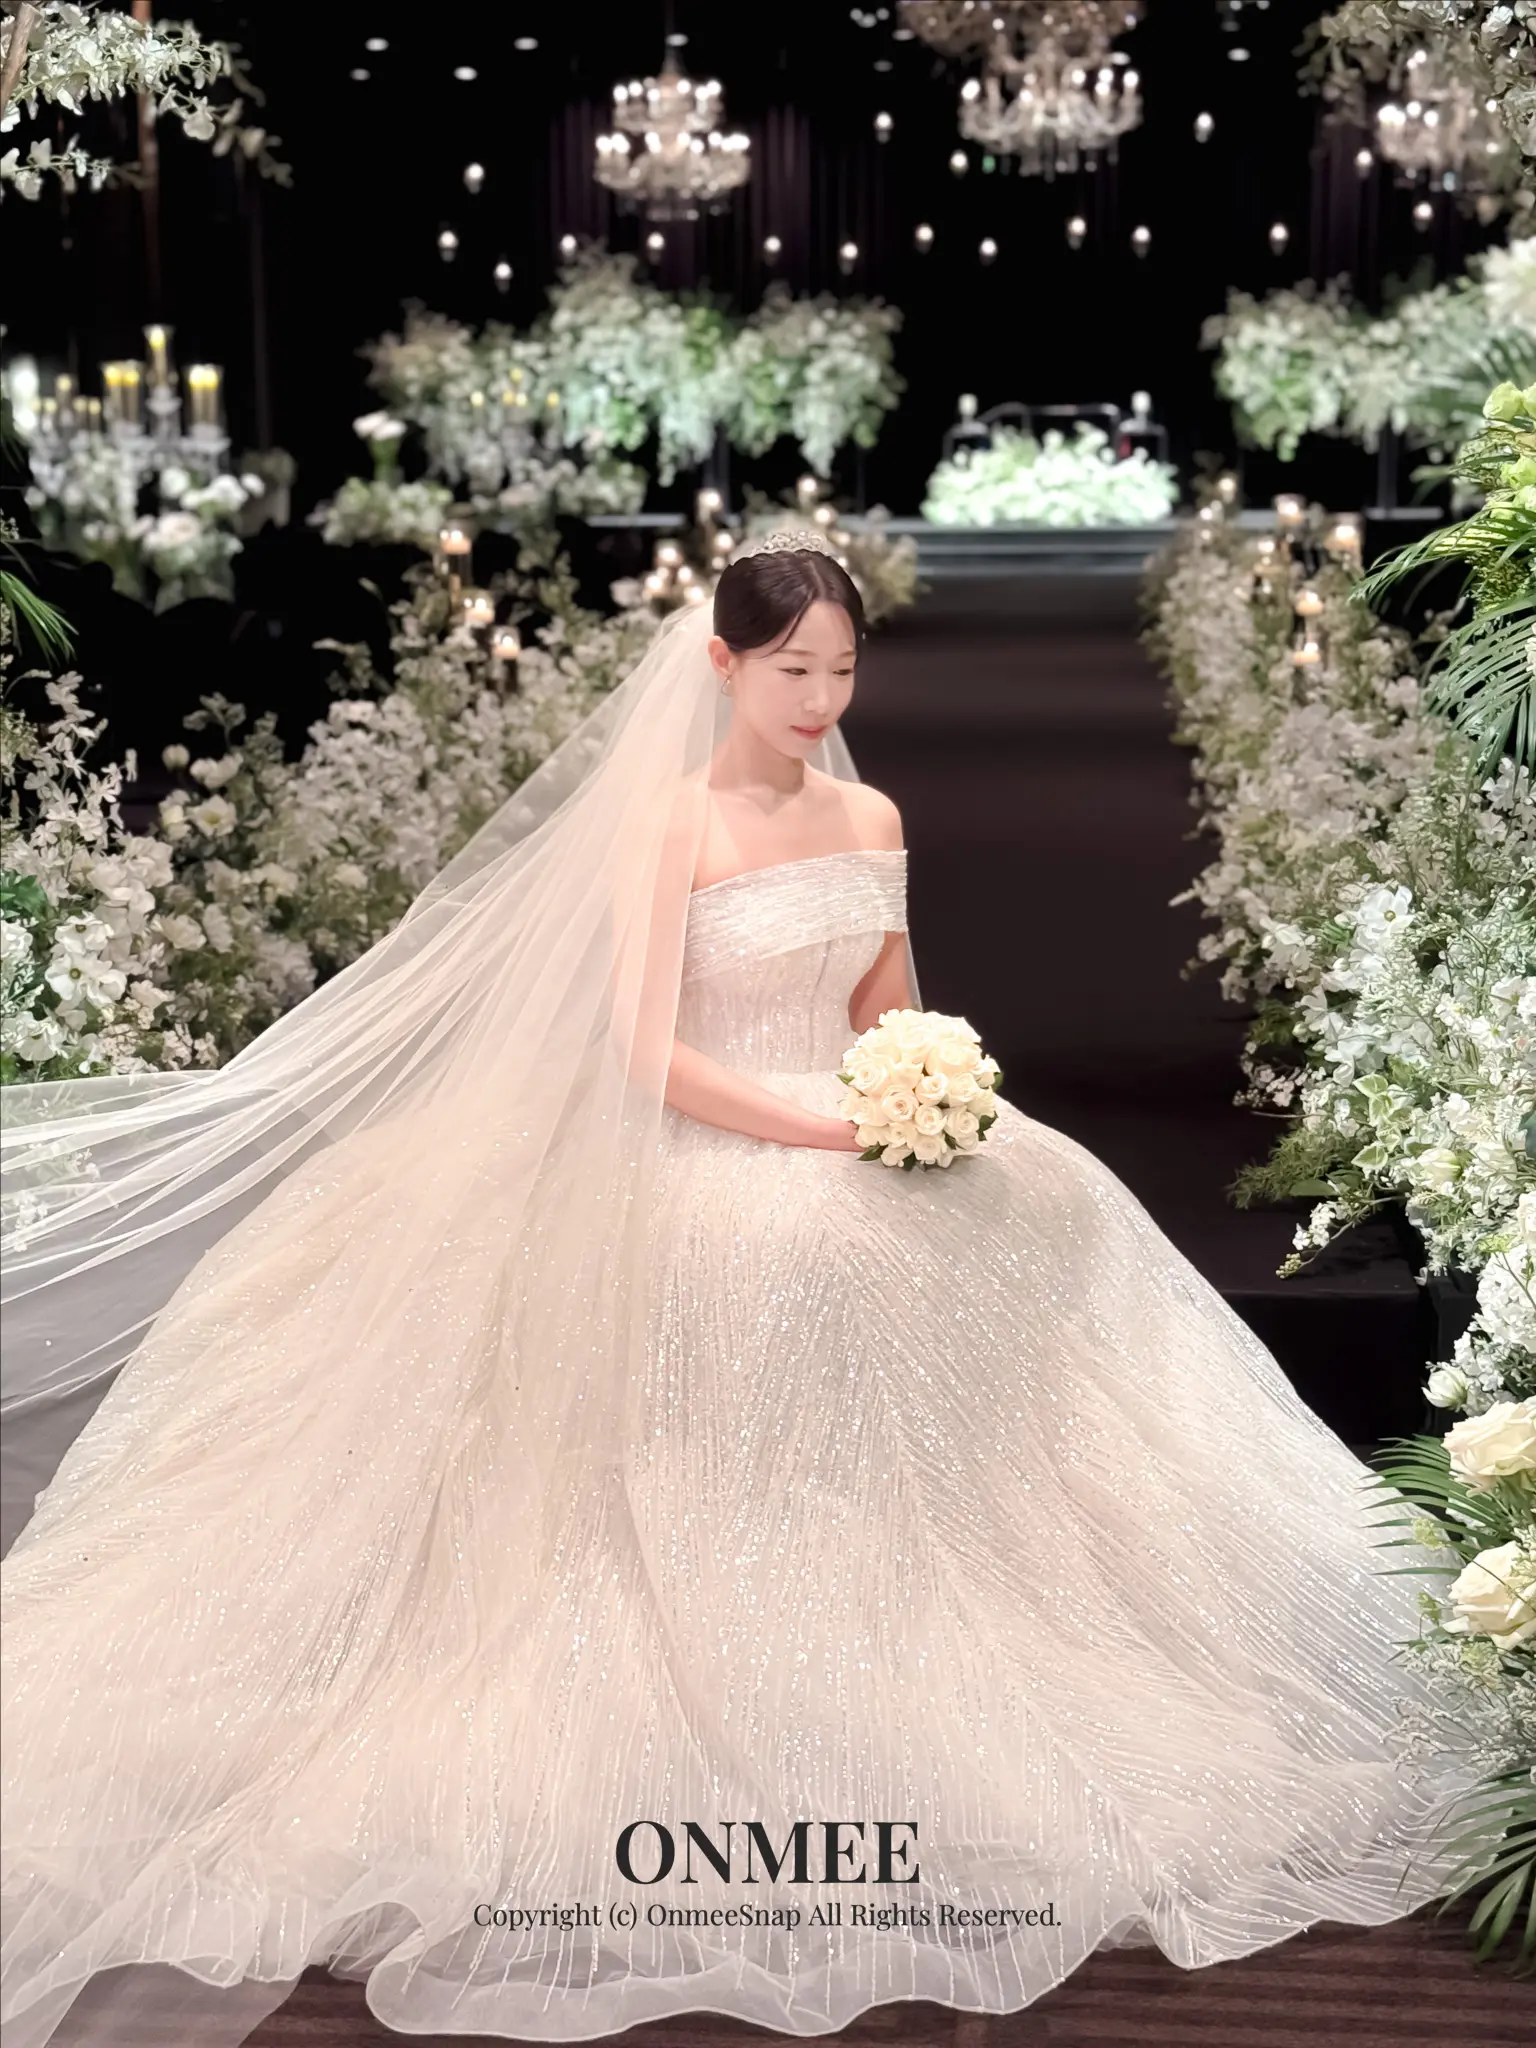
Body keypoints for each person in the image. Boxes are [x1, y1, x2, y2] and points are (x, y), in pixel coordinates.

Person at [1, 535, 1477, 2047]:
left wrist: (921, 1086)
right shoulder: (671, 823)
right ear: (723, 664)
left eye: (840, 671)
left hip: (848, 1113)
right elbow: (647, 1049)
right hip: (698, 1135)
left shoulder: (870, 811)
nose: (817, 698)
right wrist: (819, 1129)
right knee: (790, 1260)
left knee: (1048, 1218)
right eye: (790, 671)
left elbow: (881, 999)